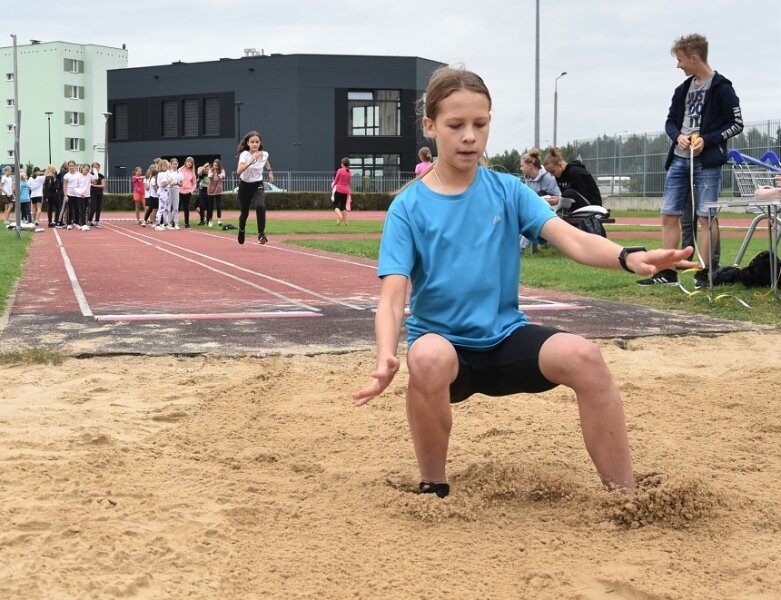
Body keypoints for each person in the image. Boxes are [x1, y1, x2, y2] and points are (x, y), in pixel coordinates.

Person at [352, 66, 696, 498]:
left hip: (505, 340)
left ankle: (625, 497)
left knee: (586, 357)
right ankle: (433, 486)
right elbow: (392, 296)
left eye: (480, 124)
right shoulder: (408, 208)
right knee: (428, 358)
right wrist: (386, 355)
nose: (469, 136)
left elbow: (573, 240)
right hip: (445, 350)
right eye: (456, 125)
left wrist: (630, 257)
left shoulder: (508, 190)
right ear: (430, 126)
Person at [637, 33, 743, 287]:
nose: (678, 65)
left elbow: (737, 123)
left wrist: (708, 139)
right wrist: (678, 138)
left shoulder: (722, 88)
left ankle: (706, 273)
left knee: (707, 217)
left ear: (694, 58)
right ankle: (667, 271)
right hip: (678, 160)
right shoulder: (682, 89)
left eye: (681, 60)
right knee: (669, 214)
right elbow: (670, 122)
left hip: (707, 164)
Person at [236, 130, 275, 245]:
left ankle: (261, 234)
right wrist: (250, 162)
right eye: (252, 142)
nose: (254, 144)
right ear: (248, 143)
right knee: (244, 214)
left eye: (257, 142)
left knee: (260, 205)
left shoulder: (264, 154)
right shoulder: (244, 155)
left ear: (260, 143)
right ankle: (242, 230)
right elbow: (239, 171)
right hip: (244, 186)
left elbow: (265, 161)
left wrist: (270, 171)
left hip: (257, 184)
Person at [542, 146, 602, 213]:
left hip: (592, 206)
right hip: (576, 205)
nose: (551, 175)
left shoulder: (575, 173)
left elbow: (582, 195)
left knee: (568, 193)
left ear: (560, 165)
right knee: (543, 193)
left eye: (552, 172)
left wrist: (560, 200)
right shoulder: (559, 176)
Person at [331, 157, 352, 227]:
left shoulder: (340, 170)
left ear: (343, 164)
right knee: (343, 207)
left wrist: (333, 185)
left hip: (339, 189)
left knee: (335, 205)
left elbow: (336, 180)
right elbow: (348, 183)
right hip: (346, 191)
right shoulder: (349, 172)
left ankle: (340, 216)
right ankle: (346, 223)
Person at [178, 156, 196, 228]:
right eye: (188, 162)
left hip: (188, 192)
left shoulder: (192, 172)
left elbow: (194, 183)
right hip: (179, 191)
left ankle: (187, 224)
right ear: (185, 162)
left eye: (191, 163)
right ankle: (175, 222)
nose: (189, 164)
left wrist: (191, 191)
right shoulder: (180, 170)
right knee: (177, 208)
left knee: (186, 208)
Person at [206, 159, 225, 227]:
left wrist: (218, 173)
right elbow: (209, 176)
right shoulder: (211, 170)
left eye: (216, 166)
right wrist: (213, 172)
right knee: (210, 206)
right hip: (211, 190)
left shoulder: (222, 170)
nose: (215, 167)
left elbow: (222, 176)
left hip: (218, 190)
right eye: (214, 165)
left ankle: (219, 220)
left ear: (219, 166)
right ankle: (210, 221)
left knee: (218, 206)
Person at [88, 162, 105, 228]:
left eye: (97, 167)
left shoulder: (101, 175)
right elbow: (89, 183)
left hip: (99, 193)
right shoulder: (89, 175)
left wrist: (95, 185)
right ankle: (89, 221)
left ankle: (97, 222)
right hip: (92, 193)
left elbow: (103, 185)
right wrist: (93, 184)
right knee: (93, 208)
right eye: (94, 167)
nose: (96, 168)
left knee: (98, 208)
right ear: (92, 168)